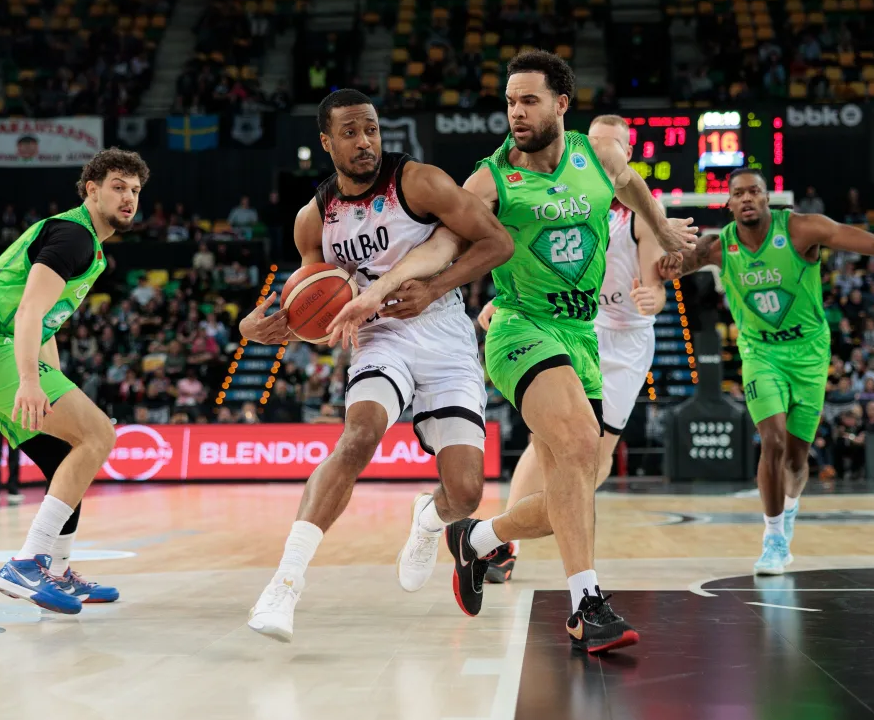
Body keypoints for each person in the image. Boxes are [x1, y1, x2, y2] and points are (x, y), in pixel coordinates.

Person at [406, 50, 695, 655]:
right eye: (510, 101)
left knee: (578, 485)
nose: (516, 112)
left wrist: (662, 228)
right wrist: (410, 286)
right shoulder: (489, 179)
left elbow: (631, 185)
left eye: (529, 100)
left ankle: (479, 539)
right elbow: (442, 242)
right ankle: (586, 605)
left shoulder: (599, 156)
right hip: (519, 329)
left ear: (562, 104)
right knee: (579, 447)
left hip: (581, 336)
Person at [238, 88, 514, 642]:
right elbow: (317, 308)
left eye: (371, 129)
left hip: (444, 336)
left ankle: (428, 520)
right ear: (326, 141)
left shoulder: (419, 182)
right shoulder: (312, 221)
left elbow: (497, 242)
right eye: (350, 132)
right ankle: (284, 585)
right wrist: (264, 327)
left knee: (465, 494)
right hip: (379, 337)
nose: (364, 141)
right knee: (357, 438)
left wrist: (433, 288)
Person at [657, 167, 874, 574]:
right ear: (728, 203)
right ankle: (773, 536)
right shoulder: (717, 248)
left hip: (810, 356)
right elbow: (667, 267)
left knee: (798, 462)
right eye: (738, 194)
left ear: (768, 199)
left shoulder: (802, 229)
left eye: (755, 191)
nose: (747, 198)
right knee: (773, 440)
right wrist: (650, 263)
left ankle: (790, 509)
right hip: (760, 354)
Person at [0, 148, 150, 615]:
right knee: (99, 434)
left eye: (135, 190)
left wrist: (48, 378)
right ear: (91, 190)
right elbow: (29, 311)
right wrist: (28, 381)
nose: (129, 198)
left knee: (64, 454)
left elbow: (46, 324)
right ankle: (26, 562)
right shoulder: (74, 236)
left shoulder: (88, 245)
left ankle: (56, 570)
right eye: (118, 186)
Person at [473, 114, 669, 584]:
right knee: (551, 449)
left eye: (611, 146)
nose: (599, 153)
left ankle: (485, 534)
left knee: (589, 469)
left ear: (626, 153)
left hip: (621, 341)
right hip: (561, 325)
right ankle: (506, 547)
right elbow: (512, 249)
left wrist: (654, 297)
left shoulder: (636, 216)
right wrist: (501, 302)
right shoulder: (551, 188)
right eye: (594, 143)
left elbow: (657, 285)